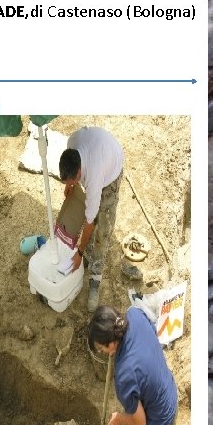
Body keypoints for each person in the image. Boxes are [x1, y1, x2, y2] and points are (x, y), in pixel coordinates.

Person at [88, 305, 178, 425]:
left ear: (111, 344)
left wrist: (119, 418)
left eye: (101, 348)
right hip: (169, 393)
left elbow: (139, 423)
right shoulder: (134, 314)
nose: (102, 352)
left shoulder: (125, 376)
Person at [59, 127, 140, 312]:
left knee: (102, 230)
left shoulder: (94, 177)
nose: (70, 186)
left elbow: (89, 223)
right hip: (101, 151)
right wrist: (70, 185)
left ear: (79, 172)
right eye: (67, 183)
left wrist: (78, 253)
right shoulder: (72, 144)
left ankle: (95, 280)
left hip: (111, 170)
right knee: (90, 212)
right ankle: (86, 255)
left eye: (72, 182)